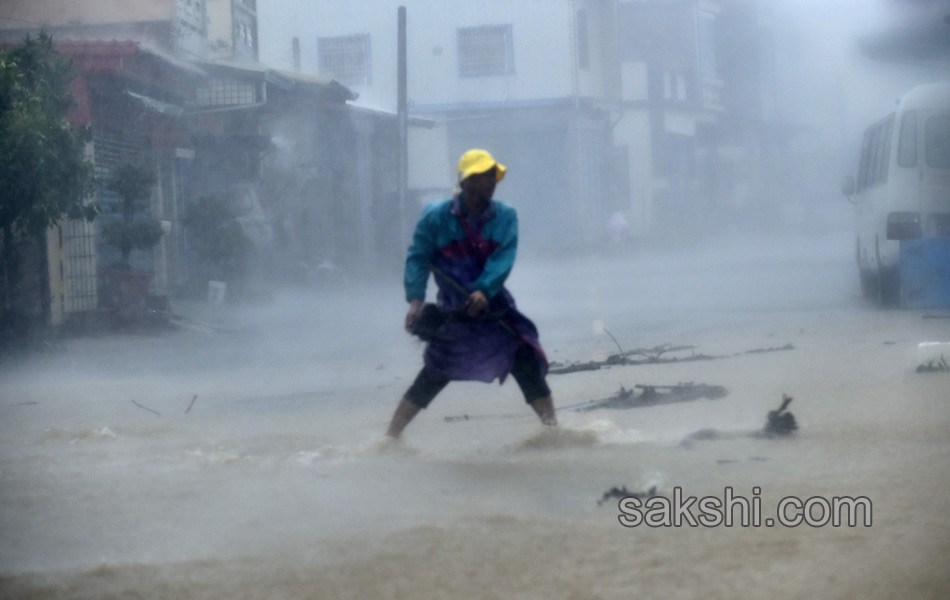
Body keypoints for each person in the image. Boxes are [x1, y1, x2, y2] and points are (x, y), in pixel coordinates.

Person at [385, 149, 557, 438]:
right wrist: (415, 300)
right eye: (483, 176)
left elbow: (503, 259)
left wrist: (484, 290)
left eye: (493, 175)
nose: (491, 181)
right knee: (433, 374)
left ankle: (555, 434)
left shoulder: (505, 217)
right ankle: (390, 439)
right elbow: (418, 257)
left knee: (525, 363)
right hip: (454, 310)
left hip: (492, 307)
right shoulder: (436, 217)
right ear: (466, 182)